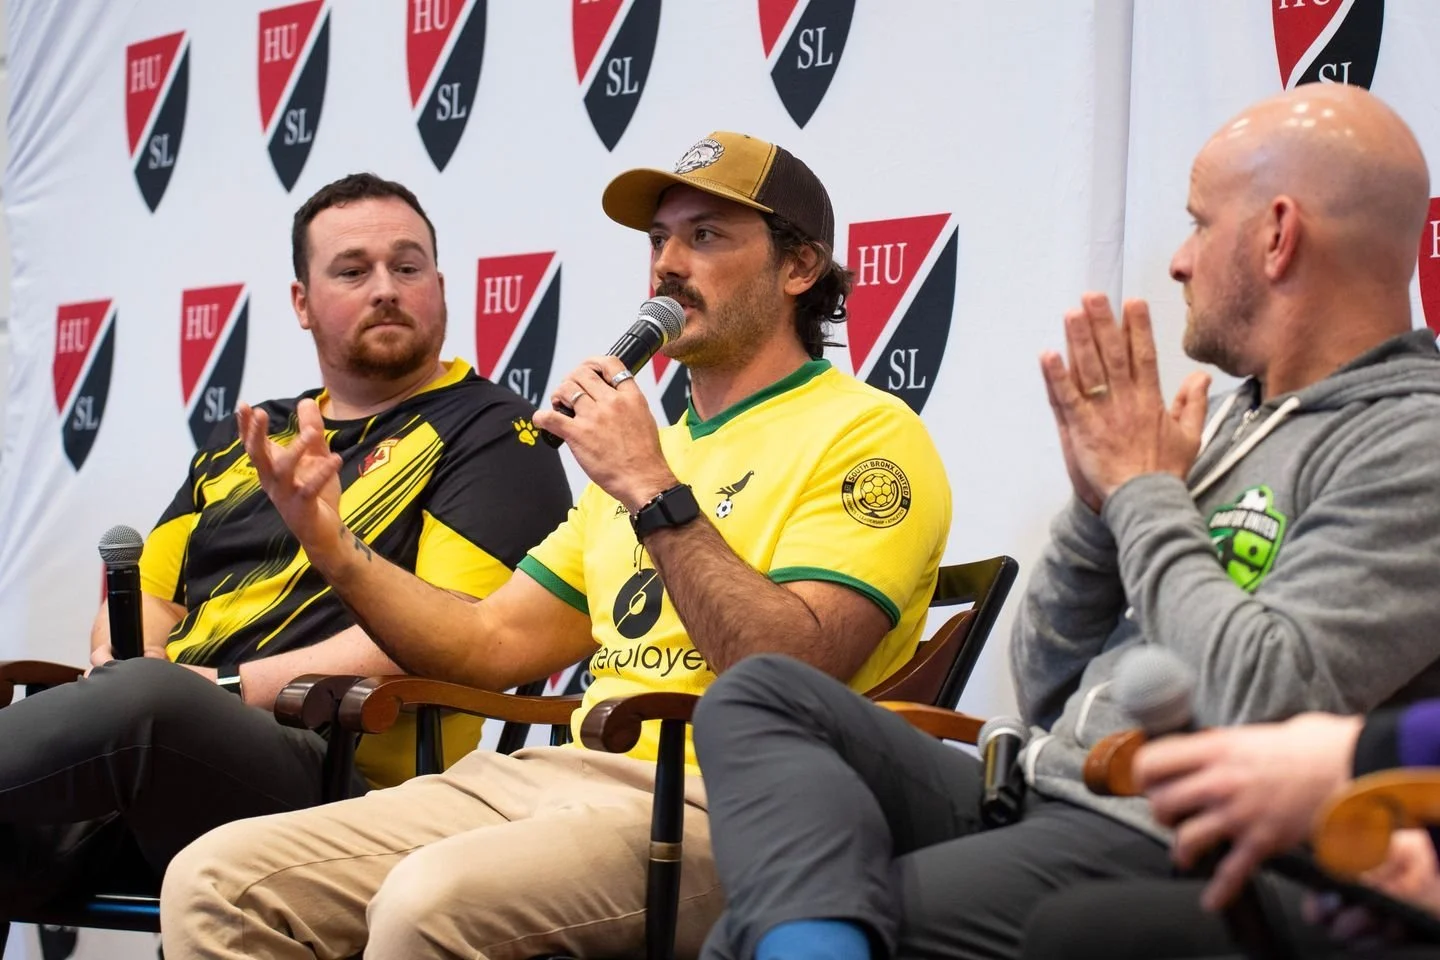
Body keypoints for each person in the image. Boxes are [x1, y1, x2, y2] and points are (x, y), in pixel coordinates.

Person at [688, 85, 1440, 960]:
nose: (1179, 262)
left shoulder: (1411, 439)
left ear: (1277, 236)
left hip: (1175, 837)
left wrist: (1142, 497)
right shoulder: (1228, 422)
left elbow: (1267, 697)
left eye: (1199, 224)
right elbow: (1046, 682)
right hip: (1041, 786)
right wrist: (1096, 512)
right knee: (760, 695)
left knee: (754, 936)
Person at [158, 131, 952, 960]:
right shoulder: (654, 446)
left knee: (429, 903)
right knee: (217, 881)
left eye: (706, 237)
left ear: (799, 269)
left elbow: (794, 668)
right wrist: (335, 549)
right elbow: (486, 643)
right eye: (658, 240)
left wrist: (649, 485)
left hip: (736, 808)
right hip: (562, 778)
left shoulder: (865, 438)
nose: (666, 266)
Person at [0, 173, 573, 909]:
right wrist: (128, 655)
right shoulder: (255, 433)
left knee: (148, 701)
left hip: (344, 778)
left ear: (440, 283)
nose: (386, 288)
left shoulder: (495, 433)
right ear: (301, 303)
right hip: (162, 766)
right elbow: (151, 592)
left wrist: (219, 689)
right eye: (352, 270)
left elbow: (449, 633)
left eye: (407, 266)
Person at [1018, 704, 1440, 959]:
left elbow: (1249, 697)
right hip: (1051, 772)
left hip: (1131, 813)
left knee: (1080, 934)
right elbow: (1046, 681)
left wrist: (1365, 754)